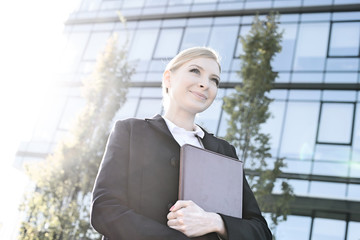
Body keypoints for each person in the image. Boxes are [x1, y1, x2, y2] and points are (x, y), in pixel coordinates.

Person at [90, 47, 272, 240]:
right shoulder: (131, 132)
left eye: (214, 80)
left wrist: (215, 221)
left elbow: (260, 231)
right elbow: (105, 209)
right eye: (195, 71)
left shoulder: (225, 151)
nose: (205, 84)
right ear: (168, 78)